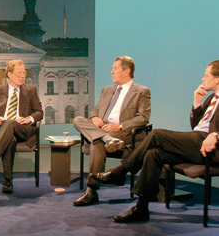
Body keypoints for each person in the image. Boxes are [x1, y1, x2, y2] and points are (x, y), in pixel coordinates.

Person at [92, 60, 219, 223]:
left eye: (206, 75)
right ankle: (141, 208)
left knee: (157, 134)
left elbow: (208, 130)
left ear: (217, 79)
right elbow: (196, 126)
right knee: (154, 154)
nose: (202, 79)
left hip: (212, 148)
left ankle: (121, 171)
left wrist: (215, 135)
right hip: (197, 141)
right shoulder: (210, 99)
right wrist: (197, 103)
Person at [71, 56, 151, 207]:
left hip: (123, 133)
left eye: (115, 68)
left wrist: (120, 126)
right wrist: (94, 118)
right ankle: (107, 139)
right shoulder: (107, 90)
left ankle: (91, 191)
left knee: (96, 142)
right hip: (103, 129)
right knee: (78, 120)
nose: (111, 72)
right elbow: (95, 109)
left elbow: (143, 118)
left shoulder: (141, 91)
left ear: (126, 71)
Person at [0, 60, 43, 194]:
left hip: (22, 130)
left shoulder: (30, 91)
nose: (22, 76)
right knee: (9, 139)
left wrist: (28, 119)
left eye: (24, 73)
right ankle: (8, 182)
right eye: (19, 73)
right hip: (1, 131)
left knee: (11, 122)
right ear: (9, 74)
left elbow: (39, 112)